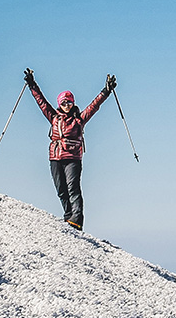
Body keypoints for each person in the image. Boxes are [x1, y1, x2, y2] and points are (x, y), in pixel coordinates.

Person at [23, 68, 115, 231]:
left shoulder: (79, 119)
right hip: (55, 157)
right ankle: (68, 217)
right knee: (61, 190)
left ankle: (77, 219)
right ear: (59, 104)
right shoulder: (54, 117)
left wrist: (106, 91)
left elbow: (94, 106)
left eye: (69, 102)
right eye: (64, 103)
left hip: (73, 158)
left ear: (73, 103)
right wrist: (32, 84)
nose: (67, 105)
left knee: (73, 188)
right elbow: (41, 102)